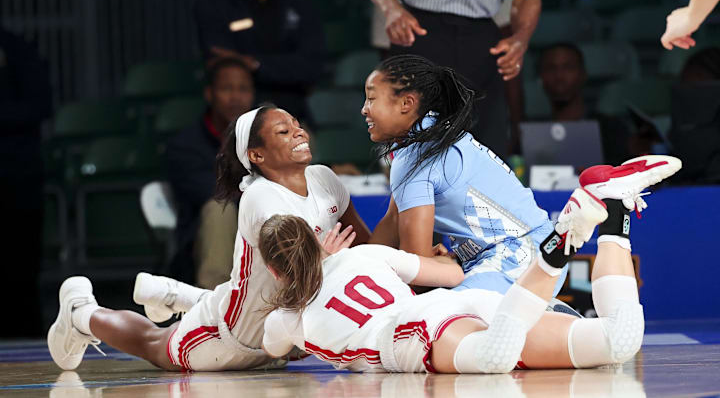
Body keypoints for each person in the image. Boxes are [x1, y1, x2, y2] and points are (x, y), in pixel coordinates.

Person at [261, 155, 681, 373]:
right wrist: (338, 260)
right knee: (619, 340)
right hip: (463, 305)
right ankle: (610, 211)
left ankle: (569, 234)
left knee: (495, 358)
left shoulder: (287, 318)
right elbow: (454, 275)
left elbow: (270, 349)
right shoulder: (365, 256)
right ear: (318, 240)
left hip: (414, 337)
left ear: (276, 271)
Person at [47, 106, 370, 371]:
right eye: (284, 132)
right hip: (231, 336)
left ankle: (174, 294)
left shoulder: (324, 178)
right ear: (256, 155)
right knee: (154, 344)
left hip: (282, 338)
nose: (299, 132)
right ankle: (81, 313)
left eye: (297, 125)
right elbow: (294, 283)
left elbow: (366, 245)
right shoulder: (261, 198)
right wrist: (330, 261)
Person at [363, 54, 566, 297]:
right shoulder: (433, 133)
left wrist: (438, 265)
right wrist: (359, 272)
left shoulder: (415, 156)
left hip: (518, 258)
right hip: (539, 250)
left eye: (372, 99)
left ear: (406, 103)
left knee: (436, 317)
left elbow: (415, 272)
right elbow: (394, 219)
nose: (364, 109)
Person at [366, 0, 542, 158]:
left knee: (487, 143)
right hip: (419, 30)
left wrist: (521, 38)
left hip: (481, 35)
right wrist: (391, 7)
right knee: (415, 141)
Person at [167, 57, 255, 288]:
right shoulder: (185, 145)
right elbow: (215, 191)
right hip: (202, 241)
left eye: (243, 89)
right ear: (209, 94)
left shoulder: (261, 136)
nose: (235, 97)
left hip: (254, 228)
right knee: (220, 208)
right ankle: (215, 307)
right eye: (227, 88)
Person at [194, 0, 326, 124]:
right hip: (236, 122)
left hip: (292, 114)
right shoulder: (214, 1)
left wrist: (254, 64)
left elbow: (311, 66)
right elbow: (221, 61)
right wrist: (284, 68)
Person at [0, 26, 52, 337]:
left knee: (20, 269)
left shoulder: (16, 47)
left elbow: (40, 105)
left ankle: (24, 338)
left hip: (16, 176)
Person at [536, 43, 633, 166]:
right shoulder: (530, 135)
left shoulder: (611, 130)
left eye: (568, 67)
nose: (559, 76)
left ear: (583, 75)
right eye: (551, 68)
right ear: (541, 78)